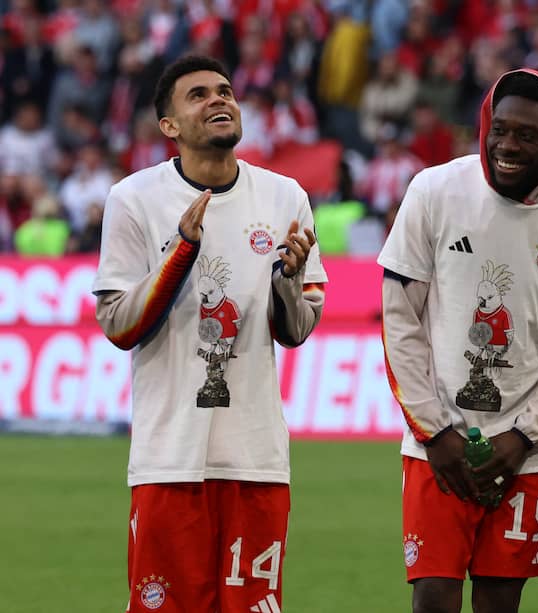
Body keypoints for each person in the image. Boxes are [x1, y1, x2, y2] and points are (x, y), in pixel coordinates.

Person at [378, 68, 538, 613]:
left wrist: (524, 437)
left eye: (527, 136)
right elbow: (400, 319)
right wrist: (434, 432)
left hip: (525, 454)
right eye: (499, 129)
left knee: (500, 603)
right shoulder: (436, 190)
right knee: (433, 600)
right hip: (434, 445)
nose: (507, 146)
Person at [92, 55, 327, 613]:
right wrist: (181, 253)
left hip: (256, 459)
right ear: (169, 126)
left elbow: (297, 330)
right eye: (197, 94)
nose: (219, 99)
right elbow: (118, 324)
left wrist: (289, 285)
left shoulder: (284, 196)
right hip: (169, 458)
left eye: (224, 90)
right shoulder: (134, 199)